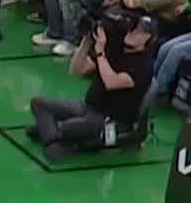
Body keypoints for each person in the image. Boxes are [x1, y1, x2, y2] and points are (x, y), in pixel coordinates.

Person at [29, 10, 157, 160]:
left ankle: (54, 135)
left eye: (141, 32)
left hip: (110, 119)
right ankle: (54, 139)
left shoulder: (143, 65)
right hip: (88, 107)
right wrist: (86, 41)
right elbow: (76, 70)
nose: (134, 32)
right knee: (38, 104)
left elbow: (111, 82)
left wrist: (100, 52)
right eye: (135, 28)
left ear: (149, 39)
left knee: (62, 128)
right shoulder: (115, 49)